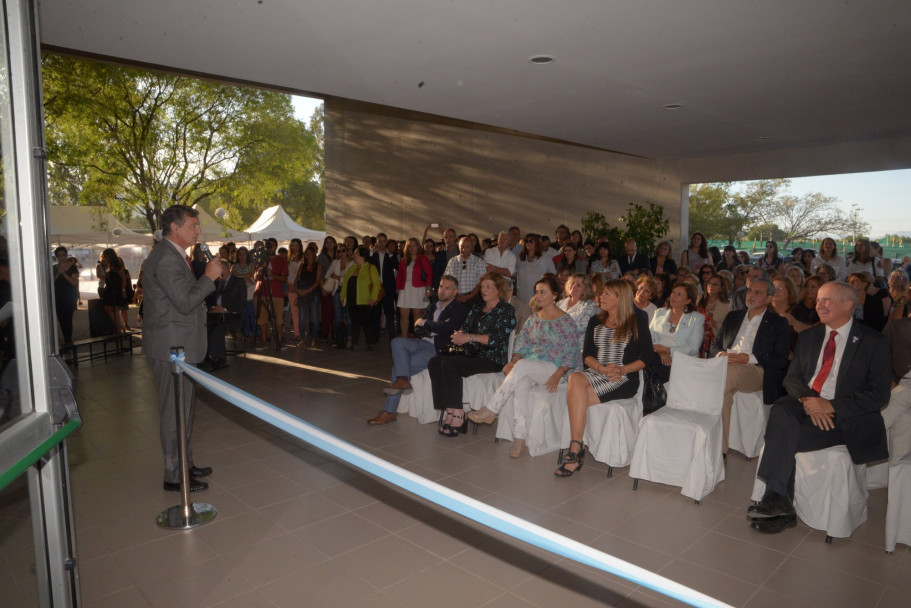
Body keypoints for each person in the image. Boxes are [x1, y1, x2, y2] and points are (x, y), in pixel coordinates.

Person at [748, 282, 891, 534]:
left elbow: (878, 395)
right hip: (806, 405)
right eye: (818, 300)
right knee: (781, 409)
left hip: (845, 418)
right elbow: (792, 379)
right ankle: (778, 498)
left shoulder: (873, 342)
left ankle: (779, 500)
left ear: (848, 305)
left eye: (827, 300)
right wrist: (808, 401)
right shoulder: (809, 336)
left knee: (781, 434)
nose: (819, 304)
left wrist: (831, 406)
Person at [142, 204, 221, 493]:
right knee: (174, 411)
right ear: (174, 228)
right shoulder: (165, 259)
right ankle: (174, 474)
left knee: (184, 409)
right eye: (193, 225)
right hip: (171, 346)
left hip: (181, 343)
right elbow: (185, 302)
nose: (198, 230)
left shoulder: (174, 256)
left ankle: (185, 464)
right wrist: (209, 278)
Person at [468, 276, 580, 457]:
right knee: (520, 380)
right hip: (530, 368)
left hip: (554, 369)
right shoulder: (533, 319)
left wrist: (558, 374)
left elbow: (572, 354)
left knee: (523, 366)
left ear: (554, 295)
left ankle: (491, 408)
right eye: (536, 292)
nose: (538, 296)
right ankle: (519, 438)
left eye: (543, 292)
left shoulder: (566, 321)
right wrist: (514, 361)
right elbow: (521, 346)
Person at [555, 279, 655, 477]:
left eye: (608, 294)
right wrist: (600, 368)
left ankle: (575, 450)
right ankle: (577, 445)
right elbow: (587, 356)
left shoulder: (636, 322)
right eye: (602, 293)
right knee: (575, 378)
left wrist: (624, 369)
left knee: (575, 396)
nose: (601, 297)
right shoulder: (596, 320)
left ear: (621, 298)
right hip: (598, 372)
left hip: (623, 379)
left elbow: (648, 358)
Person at [368, 275, 469, 425]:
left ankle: (389, 410)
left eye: (447, 288)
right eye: (441, 287)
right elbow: (417, 327)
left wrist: (426, 323)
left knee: (399, 367)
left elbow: (446, 328)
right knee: (397, 342)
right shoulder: (433, 305)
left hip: (436, 348)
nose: (442, 291)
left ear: (455, 292)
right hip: (421, 342)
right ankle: (402, 381)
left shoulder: (460, 309)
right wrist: (433, 326)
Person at [427, 273, 516, 437]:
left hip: (491, 358)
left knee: (449, 364)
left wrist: (470, 337)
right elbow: (466, 328)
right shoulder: (476, 308)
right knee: (434, 362)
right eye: (482, 286)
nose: (484, 290)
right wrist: (459, 335)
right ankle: (451, 409)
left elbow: (497, 339)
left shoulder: (506, 310)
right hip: (471, 354)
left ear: (499, 290)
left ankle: (458, 414)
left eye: (489, 286)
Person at [710, 278, 790, 456]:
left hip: (757, 370)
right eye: (750, 291)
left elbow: (780, 360)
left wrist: (749, 358)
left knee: (725, 373)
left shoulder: (778, 323)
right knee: (722, 395)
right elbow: (714, 346)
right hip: (727, 366)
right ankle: (719, 451)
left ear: (769, 298)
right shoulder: (733, 317)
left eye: (757, 292)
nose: (751, 296)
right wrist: (721, 355)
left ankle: (699, 428)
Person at [649, 283, 705, 381]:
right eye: (673, 292)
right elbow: (649, 337)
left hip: (681, 359)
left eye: (679, 294)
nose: (674, 296)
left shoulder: (697, 318)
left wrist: (668, 351)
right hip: (657, 355)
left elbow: (693, 347)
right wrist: (661, 352)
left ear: (688, 300)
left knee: (656, 366)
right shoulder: (660, 312)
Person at [204, 259, 246, 370]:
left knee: (217, 328)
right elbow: (208, 299)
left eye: (222, 268)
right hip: (216, 315)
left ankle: (218, 358)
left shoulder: (238, 282)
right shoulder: (216, 282)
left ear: (228, 268)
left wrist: (225, 309)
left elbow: (241, 302)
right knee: (205, 326)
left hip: (233, 316)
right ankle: (206, 357)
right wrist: (211, 308)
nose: (220, 271)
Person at [341, 246, 381, 350]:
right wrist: (342, 296)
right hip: (352, 300)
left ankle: (369, 343)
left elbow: (377, 284)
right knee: (354, 322)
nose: (353, 256)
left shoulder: (371, 268)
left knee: (367, 323)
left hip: (366, 301)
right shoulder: (352, 268)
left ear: (362, 256)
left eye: (356, 254)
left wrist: (373, 297)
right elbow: (345, 283)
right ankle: (355, 343)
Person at [514, 234, 555, 331]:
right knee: (524, 325)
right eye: (526, 241)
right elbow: (512, 272)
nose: (528, 243)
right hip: (522, 297)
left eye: (531, 240)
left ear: (537, 242)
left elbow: (553, 276)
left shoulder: (546, 258)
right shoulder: (519, 258)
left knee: (538, 326)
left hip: (539, 297)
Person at [254, 238, 288, 348]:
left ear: (276, 246)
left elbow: (283, 278)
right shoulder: (262, 260)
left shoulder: (281, 260)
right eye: (268, 245)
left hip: (276, 293)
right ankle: (264, 342)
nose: (270, 247)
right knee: (262, 318)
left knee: (278, 318)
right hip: (262, 292)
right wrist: (259, 273)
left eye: (272, 245)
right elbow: (255, 277)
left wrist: (271, 274)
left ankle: (279, 341)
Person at [396, 237, 433, 338]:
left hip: (419, 289)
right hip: (404, 290)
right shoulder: (403, 260)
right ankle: (404, 338)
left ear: (418, 247)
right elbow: (399, 276)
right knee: (403, 316)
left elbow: (429, 274)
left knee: (417, 316)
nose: (411, 248)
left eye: (414, 246)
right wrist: (398, 290)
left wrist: (428, 289)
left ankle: (418, 338)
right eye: (409, 246)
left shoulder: (423, 259)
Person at [556, 274, 600, 358]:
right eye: (572, 283)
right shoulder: (560, 303)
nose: (574, 286)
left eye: (578, 285)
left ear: (585, 289)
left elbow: (578, 328)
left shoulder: (590, 306)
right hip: (556, 347)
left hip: (576, 351)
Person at [369, 233, 398, 341]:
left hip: (388, 288)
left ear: (386, 242)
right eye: (379, 241)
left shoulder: (391, 254)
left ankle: (392, 337)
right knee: (375, 313)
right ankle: (375, 336)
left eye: (383, 241)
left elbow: (397, 266)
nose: (381, 243)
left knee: (389, 313)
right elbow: (366, 264)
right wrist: (371, 253)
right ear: (376, 242)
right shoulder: (372, 254)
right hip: (375, 288)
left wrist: (390, 254)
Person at [444, 236, 487, 304]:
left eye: (466, 247)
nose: (463, 249)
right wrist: (457, 295)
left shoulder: (478, 261)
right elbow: (448, 280)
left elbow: (482, 281)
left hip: (474, 298)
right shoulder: (452, 261)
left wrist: (470, 296)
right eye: (462, 247)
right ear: (458, 246)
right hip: (455, 297)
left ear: (471, 248)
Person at [295, 245, 322, 346]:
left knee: (314, 318)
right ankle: (302, 338)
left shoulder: (318, 266)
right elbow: (297, 278)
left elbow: (317, 281)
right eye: (307, 254)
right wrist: (297, 289)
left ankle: (314, 338)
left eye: (311, 254)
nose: (309, 256)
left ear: (314, 254)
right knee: (302, 318)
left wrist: (308, 290)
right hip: (302, 294)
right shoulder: (302, 266)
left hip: (313, 294)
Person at [52, 246, 80, 345]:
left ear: (66, 255)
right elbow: (51, 283)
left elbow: (74, 283)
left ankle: (68, 339)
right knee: (61, 318)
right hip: (58, 296)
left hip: (70, 296)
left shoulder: (73, 267)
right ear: (56, 257)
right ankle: (66, 339)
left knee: (68, 318)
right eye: (59, 255)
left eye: (63, 255)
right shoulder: (54, 268)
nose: (61, 257)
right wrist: (58, 273)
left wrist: (63, 273)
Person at [100, 248, 127, 333]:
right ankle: (120, 327)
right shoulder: (109, 264)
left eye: (105, 256)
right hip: (110, 289)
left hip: (115, 290)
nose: (104, 258)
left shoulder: (116, 263)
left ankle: (119, 327)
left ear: (110, 255)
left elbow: (123, 278)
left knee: (111, 309)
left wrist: (123, 290)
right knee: (111, 309)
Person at [232, 246, 256, 339]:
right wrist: (245, 277)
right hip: (239, 294)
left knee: (252, 313)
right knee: (244, 314)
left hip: (250, 292)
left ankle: (255, 333)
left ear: (247, 255)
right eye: (240, 254)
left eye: (244, 254)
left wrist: (239, 276)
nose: (242, 256)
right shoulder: (234, 266)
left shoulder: (251, 264)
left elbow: (251, 276)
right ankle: (246, 333)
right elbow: (234, 275)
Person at [317, 236, 338, 341]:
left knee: (336, 312)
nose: (329, 244)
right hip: (325, 287)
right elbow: (319, 274)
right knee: (326, 312)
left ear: (335, 243)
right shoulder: (321, 257)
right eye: (327, 242)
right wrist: (322, 288)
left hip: (337, 286)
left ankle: (335, 334)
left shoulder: (338, 255)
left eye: (331, 242)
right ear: (324, 244)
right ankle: (325, 334)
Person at [286, 238, 305, 342]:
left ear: (300, 246)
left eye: (296, 245)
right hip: (290, 286)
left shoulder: (303, 258)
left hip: (298, 287)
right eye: (292, 245)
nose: (294, 247)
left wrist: (295, 285)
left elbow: (300, 274)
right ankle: (296, 333)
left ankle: (301, 333)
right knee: (294, 311)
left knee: (301, 311)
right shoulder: (289, 258)